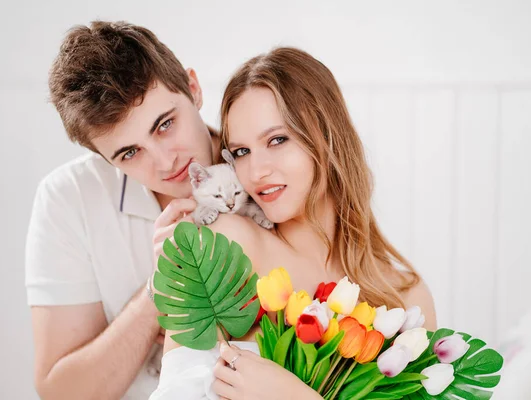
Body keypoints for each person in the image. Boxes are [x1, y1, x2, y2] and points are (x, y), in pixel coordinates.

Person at [153, 47, 437, 399]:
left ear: (328, 135)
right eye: (242, 152)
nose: (256, 172)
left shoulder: (405, 297)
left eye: (277, 139)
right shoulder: (225, 248)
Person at [25, 20, 222, 399]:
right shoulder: (68, 198)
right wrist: (159, 290)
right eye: (130, 153)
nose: (166, 163)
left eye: (165, 125)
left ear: (193, 89)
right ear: (104, 158)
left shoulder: (268, 165)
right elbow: (61, 393)